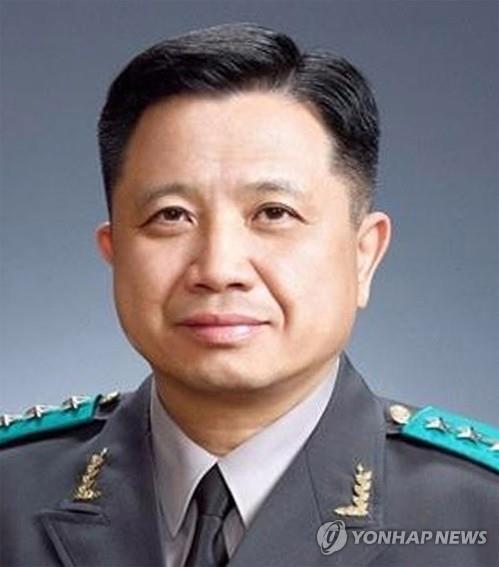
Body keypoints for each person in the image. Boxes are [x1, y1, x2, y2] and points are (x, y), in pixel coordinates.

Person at [1, 23, 497, 567]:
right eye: (172, 215)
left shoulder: (480, 513)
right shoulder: (11, 494)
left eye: (274, 213)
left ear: (364, 254)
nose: (219, 269)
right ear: (114, 250)